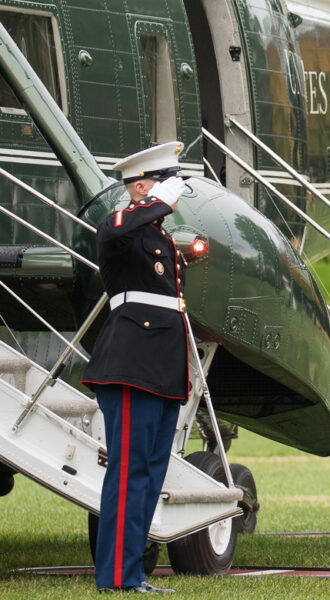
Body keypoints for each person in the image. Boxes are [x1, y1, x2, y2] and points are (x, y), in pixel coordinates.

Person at [81, 142, 190, 594]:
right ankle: (117, 578)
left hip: (161, 365)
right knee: (129, 472)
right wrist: (160, 197)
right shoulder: (120, 225)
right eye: (165, 182)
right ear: (142, 186)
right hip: (129, 362)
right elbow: (124, 226)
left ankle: (133, 572)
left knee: (149, 472)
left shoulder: (160, 237)